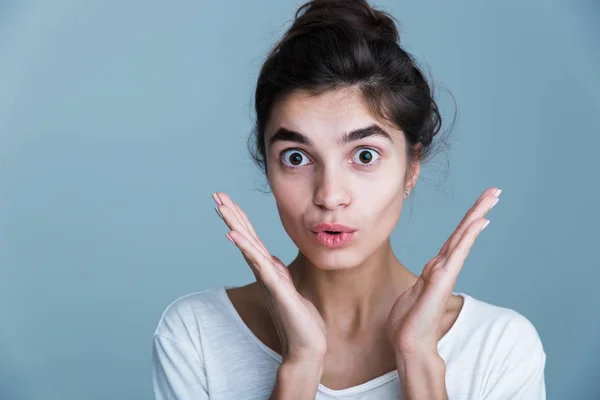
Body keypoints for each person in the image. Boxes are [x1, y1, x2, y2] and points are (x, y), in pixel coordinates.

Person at [151, 0, 546, 398]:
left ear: (412, 167)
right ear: (267, 167)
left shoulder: (498, 346)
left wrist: (419, 360)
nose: (329, 196)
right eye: (296, 157)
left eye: (365, 156)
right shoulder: (197, 334)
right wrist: (301, 364)